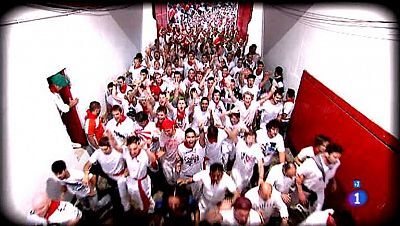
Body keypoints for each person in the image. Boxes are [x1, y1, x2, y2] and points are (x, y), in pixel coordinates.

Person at [107, 134, 158, 213]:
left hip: (142, 183)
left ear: (138, 145)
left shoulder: (144, 154)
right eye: (130, 149)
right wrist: (110, 137)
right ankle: (140, 209)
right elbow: (116, 146)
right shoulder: (126, 151)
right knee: (135, 199)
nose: (132, 152)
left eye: (135, 149)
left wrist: (147, 149)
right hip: (131, 180)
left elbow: (154, 162)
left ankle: (150, 213)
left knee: (147, 201)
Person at [83, 135, 130, 212]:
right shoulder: (98, 152)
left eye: (105, 149)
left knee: (121, 198)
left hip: (120, 176)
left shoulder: (119, 151)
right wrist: (85, 174)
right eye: (101, 149)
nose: (103, 151)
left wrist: (127, 170)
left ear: (110, 146)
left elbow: (130, 158)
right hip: (108, 175)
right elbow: (87, 165)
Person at [296, 143, 343, 212]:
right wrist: (300, 193)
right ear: (326, 154)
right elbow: (298, 176)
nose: (336, 160)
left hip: (319, 192)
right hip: (306, 190)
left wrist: (333, 181)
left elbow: (329, 171)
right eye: (335, 157)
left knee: (314, 214)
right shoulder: (311, 163)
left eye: (338, 158)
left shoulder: (337, 163)